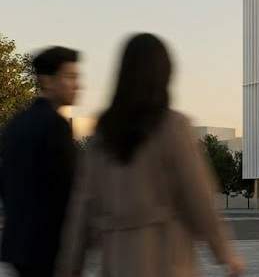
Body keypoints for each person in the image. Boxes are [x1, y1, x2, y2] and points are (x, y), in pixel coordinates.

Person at [55, 33, 244, 277]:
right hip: (167, 258)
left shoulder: (104, 131)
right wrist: (224, 253)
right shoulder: (173, 126)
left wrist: (71, 263)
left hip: (117, 261)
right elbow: (198, 196)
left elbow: (82, 205)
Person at [0, 47, 80, 277]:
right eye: (69, 77)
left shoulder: (16, 124)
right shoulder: (56, 126)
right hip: (49, 247)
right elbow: (68, 190)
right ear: (47, 81)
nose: (76, 85)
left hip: (17, 247)